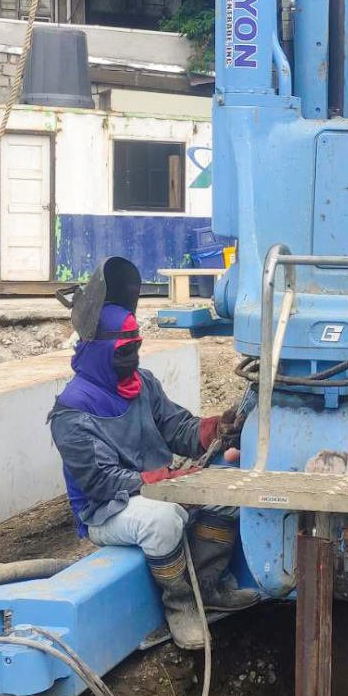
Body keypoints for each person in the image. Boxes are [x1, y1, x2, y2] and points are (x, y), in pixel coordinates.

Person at [47, 257, 260, 650]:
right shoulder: (72, 411)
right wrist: (164, 482)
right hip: (107, 511)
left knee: (229, 495)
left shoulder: (141, 382)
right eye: (124, 349)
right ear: (98, 350)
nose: (133, 356)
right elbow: (101, 482)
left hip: (159, 486)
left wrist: (214, 428)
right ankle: (180, 606)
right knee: (162, 520)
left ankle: (207, 588)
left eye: (136, 346)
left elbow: (176, 428)